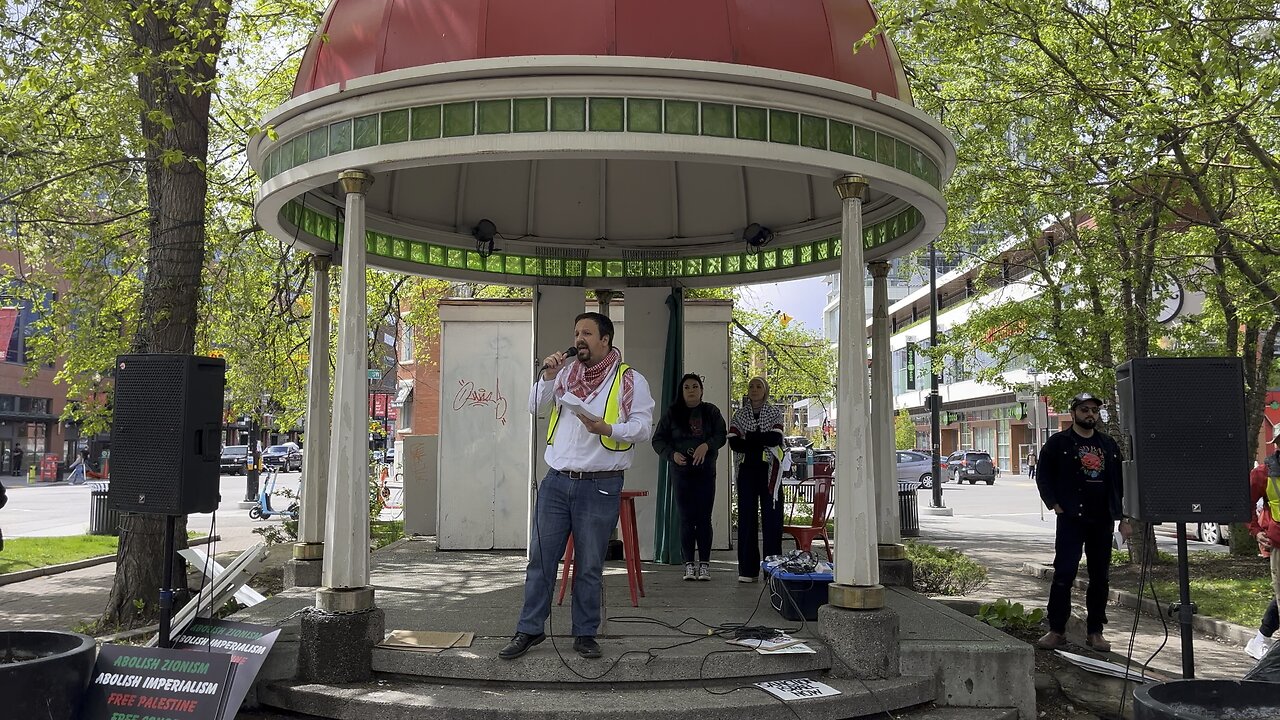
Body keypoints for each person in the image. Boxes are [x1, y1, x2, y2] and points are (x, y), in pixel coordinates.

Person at [499, 312, 654, 661]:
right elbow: (533, 406)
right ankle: (529, 629)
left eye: (587, 333)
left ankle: (585, 633)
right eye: (576, 333)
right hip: (556, 482)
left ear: (606, 340)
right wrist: (547, 376)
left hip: (600, 484)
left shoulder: (629, 379)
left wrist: (608, 429)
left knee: (588, 565)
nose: (579, 339)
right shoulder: (566, 373)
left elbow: (644, 428)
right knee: (540, 560)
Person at [1035, 392, 1131, 652]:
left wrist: (1124, 518)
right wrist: (1054, 504)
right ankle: (1056, 630)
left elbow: (1121, 484)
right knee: (1064, 573)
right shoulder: (1059, 443)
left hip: (1101, 519)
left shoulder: (1108, 445)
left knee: (1100, 577)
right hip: (1070, 519)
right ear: (1074, 412)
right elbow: (1043, 476)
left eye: (1094, 411)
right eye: (1085, 410)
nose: (1090, 414)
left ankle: (1095, 632)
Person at [652, 373, 727, 582]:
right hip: (681, 473)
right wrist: (672, 454)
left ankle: (704, 564)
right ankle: (689, 565)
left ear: (701, 390)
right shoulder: (672, 413)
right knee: (686, 519)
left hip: (705, 472)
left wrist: (707, 445)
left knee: (704, 518)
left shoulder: (711, 411)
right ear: (682, 391)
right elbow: (658, 440)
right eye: (687, 387)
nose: (691, 390)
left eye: (695, 386)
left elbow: (721, 434)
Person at [728, 377, 785, 583]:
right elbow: (734, 443)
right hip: (747, 471)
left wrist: (750, 438)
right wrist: (759, 440)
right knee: (746, 519)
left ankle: (773, 569)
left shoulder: (775, 412)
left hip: (769, 473)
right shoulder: (740, 414)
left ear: (765, 390)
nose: (754, 389)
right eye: (751, 386)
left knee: (772, 520)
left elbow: (775, 439)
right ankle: (747, 570)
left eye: (758, 386)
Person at [1245, 425, 1280, 659]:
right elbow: (1244, 503)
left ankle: (1261, 639)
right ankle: (1261, 640)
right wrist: (1255, 530)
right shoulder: (1264, 473)